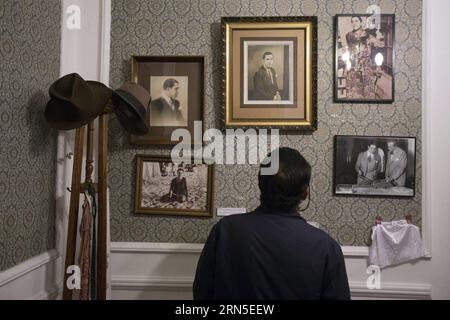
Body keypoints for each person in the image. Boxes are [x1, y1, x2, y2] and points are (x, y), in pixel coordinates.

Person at [193, 147, 350, 300]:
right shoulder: (326, 247)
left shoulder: (225, 229)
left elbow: (202, 292)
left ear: (260, 184)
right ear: (305, 193)